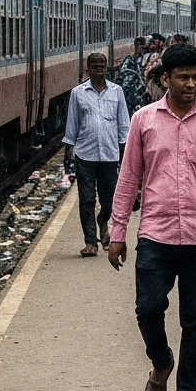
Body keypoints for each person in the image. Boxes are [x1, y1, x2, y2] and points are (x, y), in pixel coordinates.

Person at [108, 44, 196, 391]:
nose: (191, 84)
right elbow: (129, 175)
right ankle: (161, 360)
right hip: (156, 234)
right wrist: (118, 231)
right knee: (148, 308)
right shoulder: (144, 120)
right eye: (183, 77)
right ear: (166, 78)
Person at [63, 52, 130, 257]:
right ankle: (91, 242)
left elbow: (124, 125)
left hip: (110, 155)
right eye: (95, 66)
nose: (99, 69)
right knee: (86, 200)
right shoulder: (78, 93)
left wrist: (126, 151)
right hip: (85, 155)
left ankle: (103, 220)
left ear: (106, 67)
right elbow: (72, 123)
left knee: (109, 200)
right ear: (88, 68)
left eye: (102, 66)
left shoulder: (117, 92)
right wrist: (69, 150)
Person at [117, 37, 149, 115]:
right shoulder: (129, 60)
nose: (140, 49)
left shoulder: (145, 60)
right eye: (138, 46)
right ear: (135, 46)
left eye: (142, 47)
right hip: (129, 92)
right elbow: (125, 76)